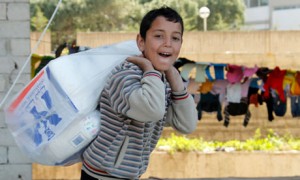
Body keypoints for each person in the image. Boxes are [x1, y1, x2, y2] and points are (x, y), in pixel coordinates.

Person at [80, 6, 198, 180]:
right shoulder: (125, 75)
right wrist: (149, 69)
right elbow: (152, 110)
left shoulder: (161, 80)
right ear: (141, 42)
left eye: (175, 38)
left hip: (127, 175)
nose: (168, 43)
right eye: (158, 36)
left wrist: (174, 78)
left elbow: (187, 125)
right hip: (101, 174)